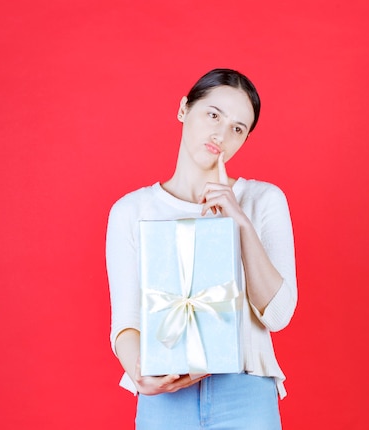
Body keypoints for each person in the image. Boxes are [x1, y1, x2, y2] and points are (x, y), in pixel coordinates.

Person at [105, 68, 297, 429]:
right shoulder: (131, 211)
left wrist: (239, 221)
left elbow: (278, 315)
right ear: (183, 109)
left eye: (237, 129)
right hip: (165, 397)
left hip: (246, 391)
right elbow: (126, 323)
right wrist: (138, 372)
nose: (221, 135)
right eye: (213, 115)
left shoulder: (262, 201)